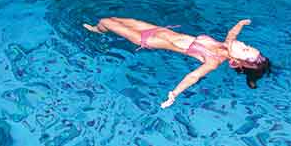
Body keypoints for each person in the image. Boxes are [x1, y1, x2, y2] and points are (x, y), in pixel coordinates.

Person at [83, 17, 270, 108]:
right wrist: (241, 24)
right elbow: (233, 34)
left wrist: (174, 93)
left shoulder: (213, 60)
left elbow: (194, 76)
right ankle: (100, 29)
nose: (244, 44)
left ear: (236, 61)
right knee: (114, 19)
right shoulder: (227, 45)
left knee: (105, 21)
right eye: (248, 45)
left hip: (147, 40)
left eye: (245, 49)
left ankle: (97, 31)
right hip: (157, 29)